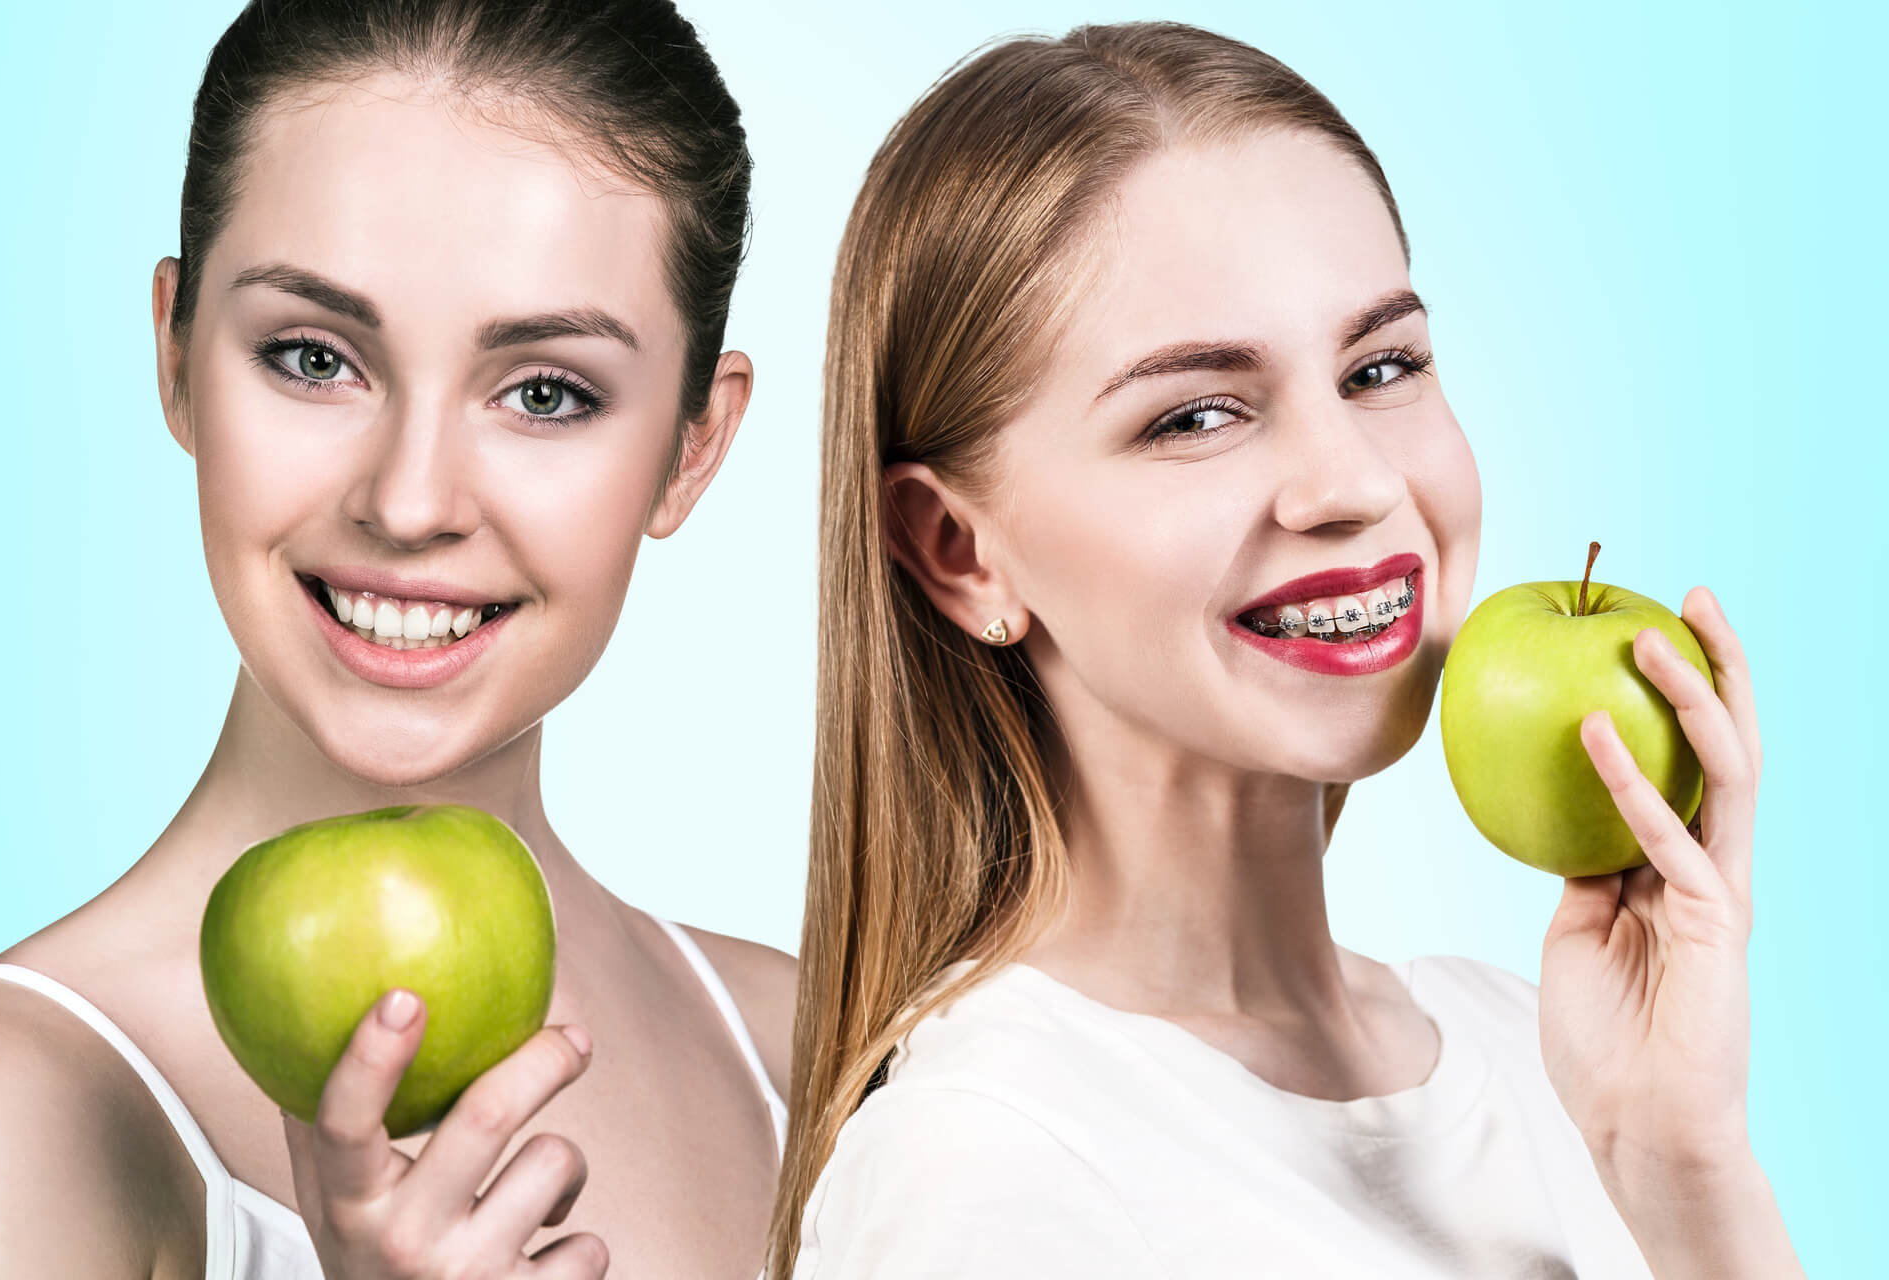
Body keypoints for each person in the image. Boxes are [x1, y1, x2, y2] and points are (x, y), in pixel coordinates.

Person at [771, 21, 1801, 1280]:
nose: (1350, 480)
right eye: (1196, 413)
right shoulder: (990, 1165)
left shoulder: (1542, 1052)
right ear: (957, 549)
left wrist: (1685, 1171)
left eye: (1379, 367)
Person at [0, 3, 792, 1277]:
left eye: (545, 392)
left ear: (691, 450)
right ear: (175, 355)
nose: (409, 500)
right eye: (313, 358)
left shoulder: (812, 1050)